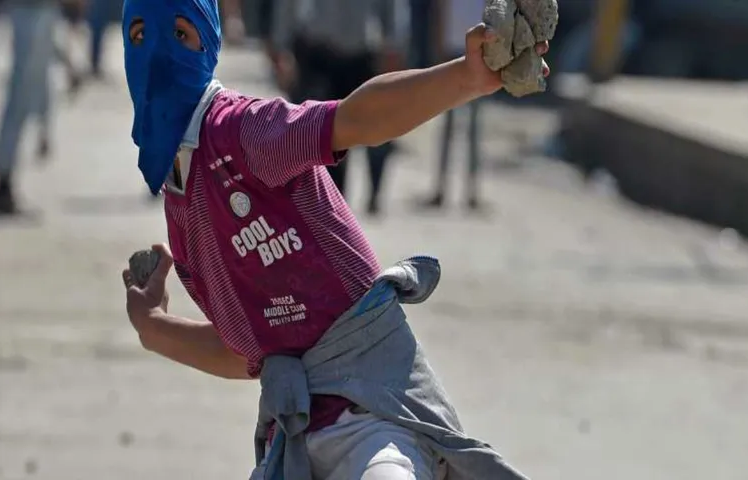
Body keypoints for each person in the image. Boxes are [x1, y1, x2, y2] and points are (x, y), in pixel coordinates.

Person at [118, 0, 550, 478]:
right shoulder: (183, 197)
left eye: (180, 34)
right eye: (139, 37)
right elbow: (249, 349)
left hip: (377, 420)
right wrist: (153, 327)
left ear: (209, 43)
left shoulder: (244, 133)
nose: (156, 54)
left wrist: (464, 78)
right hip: (298, 442)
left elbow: (354, 119)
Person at [269, 0, 407, 215]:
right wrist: (281, 47)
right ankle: (332, 206)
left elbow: (393, 6)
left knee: (379, 131)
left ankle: (375, 193)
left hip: (364, 54)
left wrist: (395, 45)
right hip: (320, 53)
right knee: (324, 134)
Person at [419, 0, 489, 211]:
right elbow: (440, 12)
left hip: (479, 54)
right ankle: (440, 189)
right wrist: (438, 48)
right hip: (453, 50)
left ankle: (472, 192)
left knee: (474, 129)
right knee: (448, 127)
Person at [0, 0, 59, 215]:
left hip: (40, 9)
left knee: (35, 85)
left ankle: (6, 181)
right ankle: (4, 184)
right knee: (20, 94)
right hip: (29, 9)